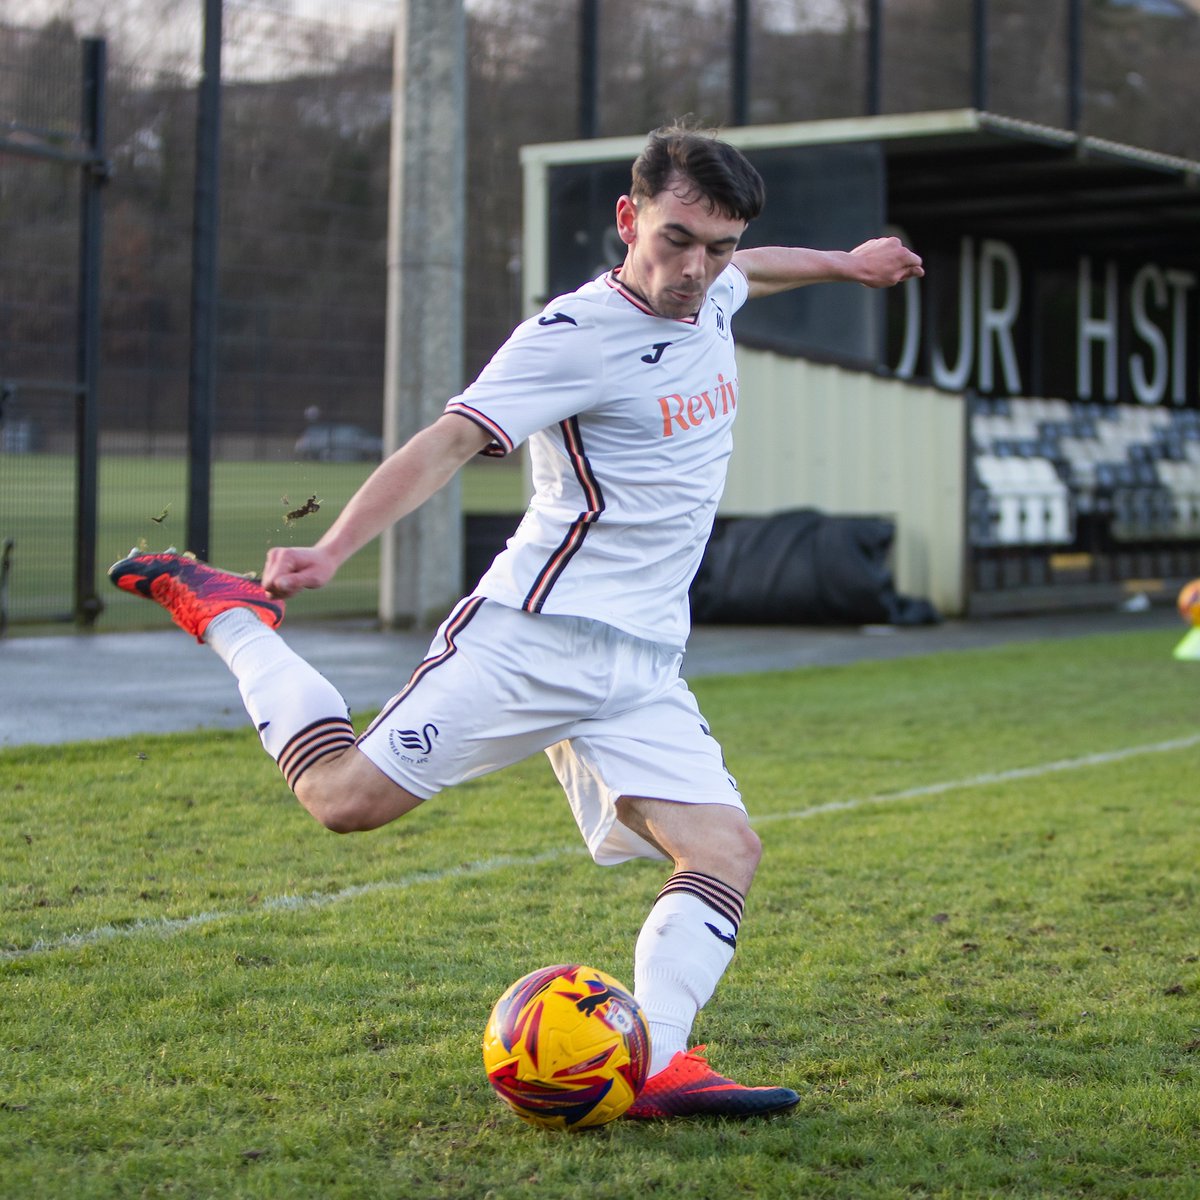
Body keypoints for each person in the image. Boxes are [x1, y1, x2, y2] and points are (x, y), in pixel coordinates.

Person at [110, 121, 923, 1120]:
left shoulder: (714, 286)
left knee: (725, 849)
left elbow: (759, 264)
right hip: (533, 639)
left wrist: (847, 263)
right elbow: (446, 442)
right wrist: (333, 551)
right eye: (677, 241)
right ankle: (235, 622)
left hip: (644, 664)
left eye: (715, 246)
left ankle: (653, 1065)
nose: (698, 268)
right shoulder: (572, 337)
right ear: (629, 220)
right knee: (342, 800)